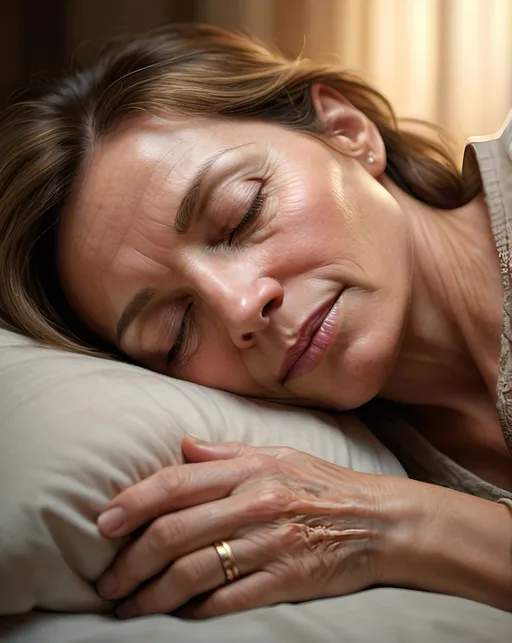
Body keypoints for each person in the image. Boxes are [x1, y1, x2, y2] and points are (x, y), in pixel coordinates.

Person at [0, 23, 511, 619]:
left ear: (348, 133)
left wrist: (397, 527)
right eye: (176, 332)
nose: (241, 307)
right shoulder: (367, 453)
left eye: (242, 214)